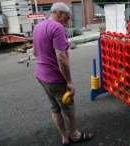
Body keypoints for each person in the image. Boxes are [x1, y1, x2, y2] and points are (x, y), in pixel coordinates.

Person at [32, 2, 93, 146]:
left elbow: (35, 52)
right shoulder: (57, 27)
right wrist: (69, 81)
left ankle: (64, 137)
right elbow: (60, 57)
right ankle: (75, 135)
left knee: (55, 108)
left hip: (41, 76)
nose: (69, 21)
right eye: (68, 17)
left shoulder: (38, 26)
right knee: (68, 108)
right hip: (55, 78)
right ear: (60, 13)